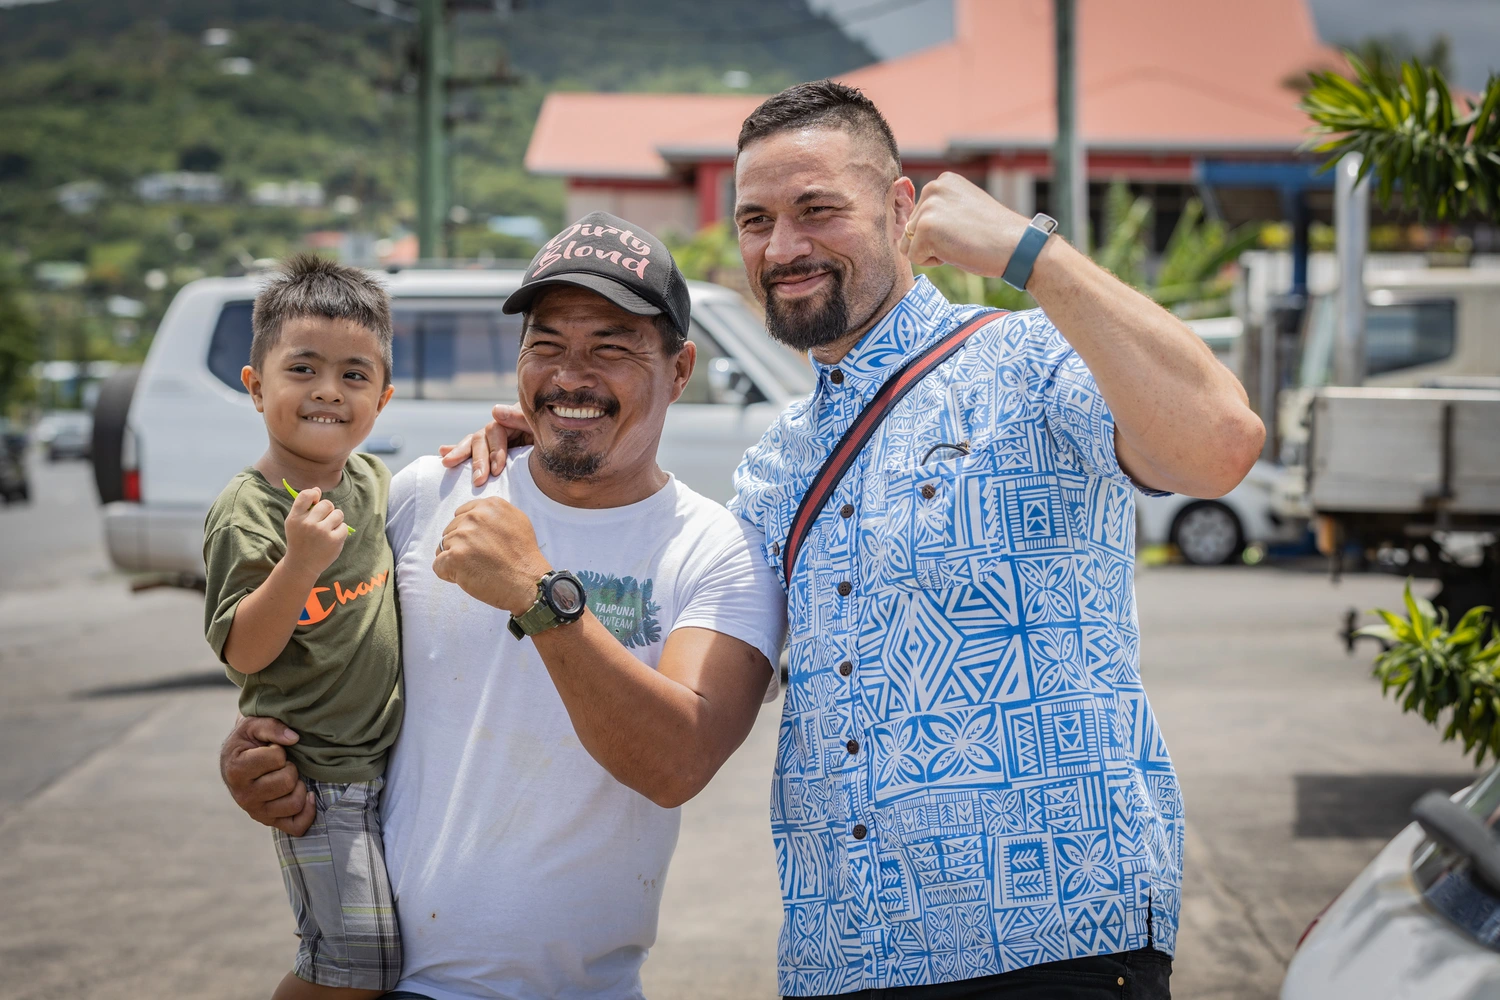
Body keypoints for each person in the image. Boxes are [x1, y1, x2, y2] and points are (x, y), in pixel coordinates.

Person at [444, 81, 1266, 999]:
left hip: (1052, 943)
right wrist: (553, 447)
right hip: (846, 954)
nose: (783, 248)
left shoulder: (1027, 362)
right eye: (756, 221)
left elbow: (1221, 445)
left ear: (901, 206)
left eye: (817, 210)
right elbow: (689, 723)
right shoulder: (776, 466)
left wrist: (1030, 254)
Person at [220, 212, 788, 1000]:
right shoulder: (428, 492)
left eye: (611, 348)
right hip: (392, 982)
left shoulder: (716, 548)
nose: (570, 375)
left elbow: (676, 762)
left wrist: (538, 596)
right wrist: (261, 754)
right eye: (546, 345)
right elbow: (313, 648)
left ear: (681, 367)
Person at [204, 253, 403, 999]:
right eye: (303, 369)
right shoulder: (248, 510)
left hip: (386, 770)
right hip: (316, 776)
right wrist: (298, 565)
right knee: (354, 966)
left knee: (370, 958)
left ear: (381, 400)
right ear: (256, 387)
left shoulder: (374, 483)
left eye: (354, 375)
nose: (328, 390)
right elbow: (244, 651)